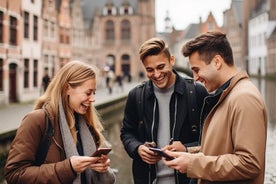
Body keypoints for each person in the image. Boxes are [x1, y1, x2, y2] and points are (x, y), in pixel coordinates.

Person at [163, 31, 267, 184]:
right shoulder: (227, 95)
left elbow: (249, 164)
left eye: (197, 69)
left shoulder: (244, 98)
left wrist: (193, 164)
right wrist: (187, 152)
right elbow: (221, 149)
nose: (195, 78)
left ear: (217, 62)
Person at [4, 61, 116, 184]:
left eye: (94, 93)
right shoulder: (36, 120)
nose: (93, 99)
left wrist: (103, 169)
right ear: (67, 88)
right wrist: (68, 168)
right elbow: (14, 174)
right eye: (88, 93)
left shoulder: (87, 124)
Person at [120, 37, 207, 184]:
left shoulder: (196, 92)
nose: (157, 74)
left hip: (188, 180)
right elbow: (127, 133)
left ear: (172, 60)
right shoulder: (136, 95)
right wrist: (138, 148)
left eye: (161, 67)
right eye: (149, 70)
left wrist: (186, 148)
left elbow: (212, 140)